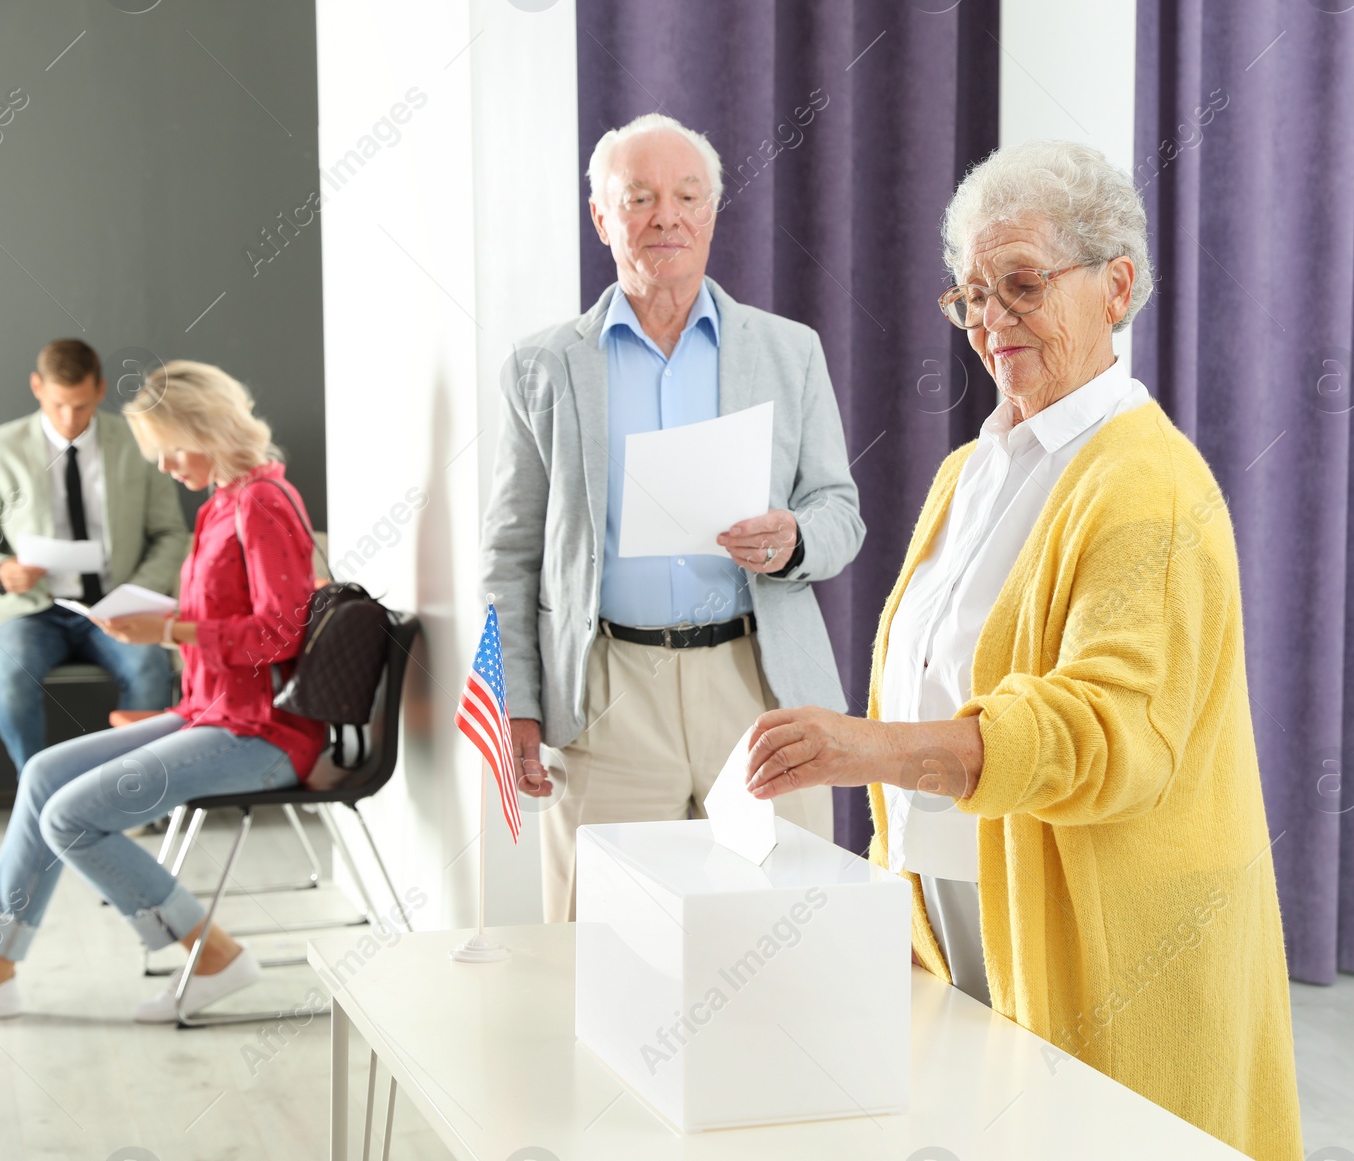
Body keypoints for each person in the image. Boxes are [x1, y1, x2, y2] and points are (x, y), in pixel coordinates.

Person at [741, 141, 1301, 1159]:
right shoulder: (967, 473)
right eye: (971, 297)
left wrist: (865, 746)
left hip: (1111, 936)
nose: (992, 321)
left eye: (1022, 285)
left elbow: (1104, 731)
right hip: (954, 907)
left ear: (1116, 285)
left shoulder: (1150, 484)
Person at [483, 113, 864, 922]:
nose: (667, 216)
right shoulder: (542, 366)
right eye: (641, 198)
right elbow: (510, 552)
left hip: (758, 687)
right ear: (601, 218)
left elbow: (841, 512)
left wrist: (794, 539)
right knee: (607, 954)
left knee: (783, 936)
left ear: (712, 213)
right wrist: (515, 700)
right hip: (610, 694)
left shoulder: (788, 351)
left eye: (688, 196)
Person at [0, 361, 325, 1026]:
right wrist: (162, 620)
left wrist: (168, 626)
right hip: (210, 710)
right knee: (42, 774)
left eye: (171, 449)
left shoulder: (261, 501)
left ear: (209, 428)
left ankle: (214, 954)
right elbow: (229, 617)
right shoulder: (225, 500)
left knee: (70, 816)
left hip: (262, 732)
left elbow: (283, 633)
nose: (167, 467)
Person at [0, 338, 188, 776]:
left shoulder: (136, 441)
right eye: (59, 405)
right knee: (9, 672)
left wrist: (138, 591)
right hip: (31, 610)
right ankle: (37, 794)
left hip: (116, 605)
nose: (69, 419)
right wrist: (0, 570)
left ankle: (122, 793)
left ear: (100, 390)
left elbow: (171, 533)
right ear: (37, 387)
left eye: (80, 406)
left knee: (149, 668)